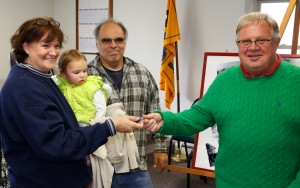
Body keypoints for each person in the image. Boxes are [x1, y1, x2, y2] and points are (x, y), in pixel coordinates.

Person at [143, 12, 300, 188]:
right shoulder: (225, 80)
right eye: (245, 41)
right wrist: (165, 119)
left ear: (276, 43)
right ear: (238, 45)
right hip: (228, 183)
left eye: (261, 40)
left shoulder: (296, 81)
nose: (253, 47)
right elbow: (198, 115)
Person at [0, 17, 143, 188]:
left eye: (57, 46)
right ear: (26, 46)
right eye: (45, 45)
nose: (53, 52)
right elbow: (58, 144)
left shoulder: (40, 77)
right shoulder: (25, 87)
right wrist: (110, 126)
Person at [88, 18, 168, 188]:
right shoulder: (84, 76)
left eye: (118, 39)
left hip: (137, 167)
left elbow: (155, 110)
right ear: (97, 44)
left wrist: (160, 147)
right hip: (101, 168)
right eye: (106, 40)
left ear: (124, 42)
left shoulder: (141, 73)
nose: (113, 45)